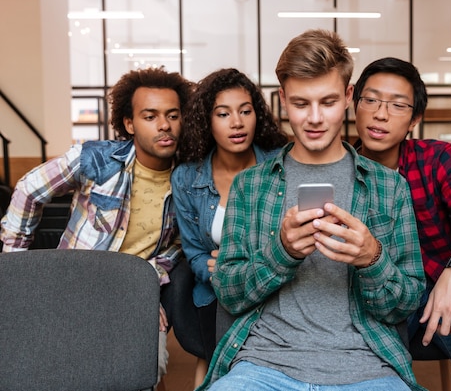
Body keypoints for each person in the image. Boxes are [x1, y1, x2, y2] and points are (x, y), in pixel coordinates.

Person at [198, 29, 426, 391]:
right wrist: (281, 253)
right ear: (283, 101)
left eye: (328, 102)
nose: (315, 118)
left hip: (366, 365)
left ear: (349, 97)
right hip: (262, 365)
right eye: (301, 104)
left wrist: (372, 258)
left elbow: (405, 304)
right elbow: (228, 292)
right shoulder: (250, 186)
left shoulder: (389, 187)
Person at [0, 66, 193, 390]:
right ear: (129, 123)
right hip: (74, 288)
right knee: (56, 369)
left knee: (148, 366)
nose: (164, 125)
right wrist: (14, 266)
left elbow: (178, 247)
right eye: (150, 116)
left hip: (133, 293)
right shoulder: (96, 159)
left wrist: (145, 289)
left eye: (173, 115)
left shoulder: (189, 179)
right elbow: (29, 189)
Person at [352, 57, 451, 391]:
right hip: (369, 301)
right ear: (354, 103)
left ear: (415, 119)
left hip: (439, 291)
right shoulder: (338, 169)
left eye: (397, 105)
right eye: (371, 100)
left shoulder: (436, 158)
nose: (381, 114)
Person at [170, 68, 288, 387]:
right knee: (227, 365)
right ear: (208, 121)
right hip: (218, 292)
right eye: (223, 114)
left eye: (245, 111)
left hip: (279, 290)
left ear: (257, 116)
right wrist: (217, 272)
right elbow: (194, 253)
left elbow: (291, 244)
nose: (237, 122)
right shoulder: (186, 178)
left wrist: (245, 267)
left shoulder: (282, 165)